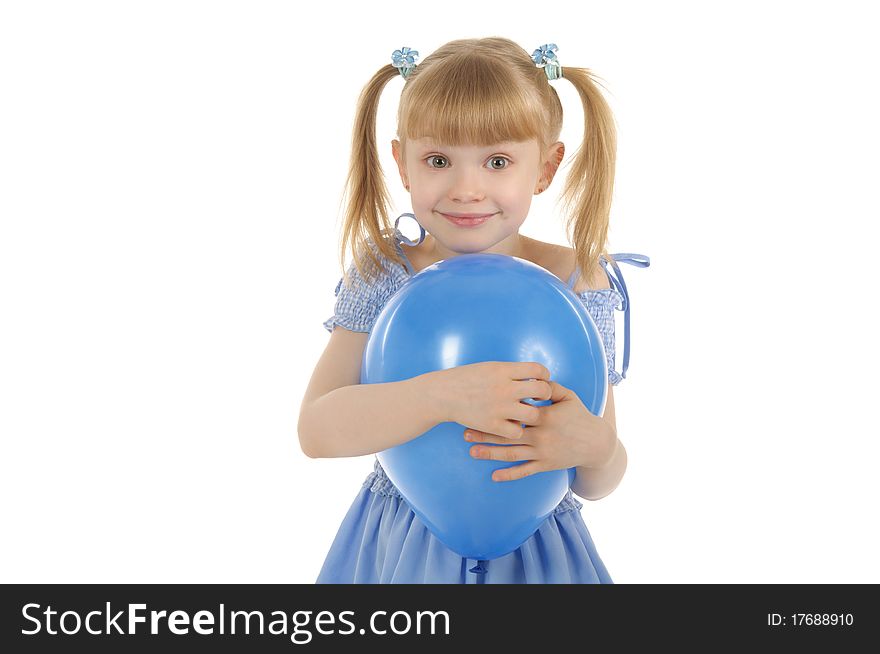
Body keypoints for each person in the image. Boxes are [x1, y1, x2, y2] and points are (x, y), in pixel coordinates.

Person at [298, 37, 650, 583]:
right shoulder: (386, 271)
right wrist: (442, 396)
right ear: (403, 164)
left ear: (546, 167)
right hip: (404, 545)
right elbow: (316, 431)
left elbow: (596, 481)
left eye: (498, 161)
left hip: (535, 553)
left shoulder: (576, 281)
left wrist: (599, 447)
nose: (467, 189)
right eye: (438, 160)